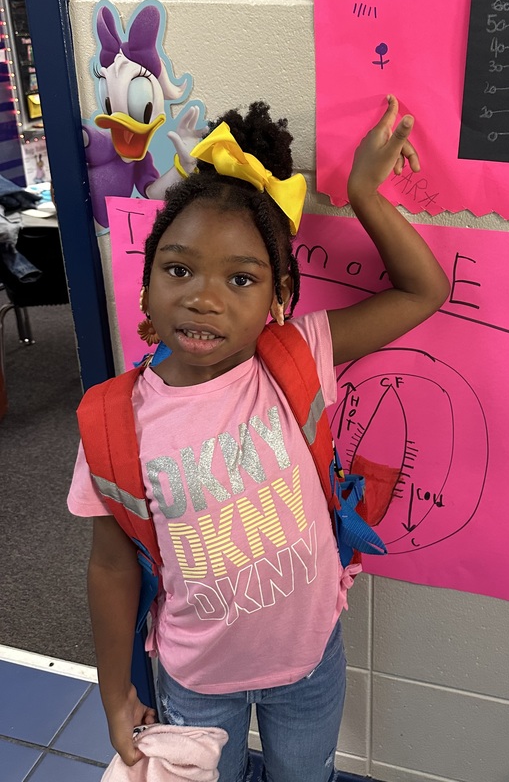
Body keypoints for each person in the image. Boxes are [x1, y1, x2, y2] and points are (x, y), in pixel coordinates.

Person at [67, 95, 449, 782]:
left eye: (240, 278)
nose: (204, 297)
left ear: (277, 297)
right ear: (148, 286)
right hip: (194, 679)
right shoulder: (112, 420)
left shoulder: (299, 354)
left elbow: (423, 290)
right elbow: (112, 566)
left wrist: (364, 192)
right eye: (178, 269)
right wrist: (114, 691)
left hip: (310, 664)